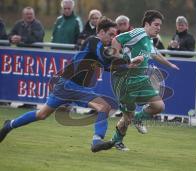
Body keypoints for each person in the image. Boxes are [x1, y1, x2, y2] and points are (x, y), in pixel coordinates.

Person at [0, 17, 144, 152]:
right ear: (101, 32)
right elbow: (105, 58)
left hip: (72, 86)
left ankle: (10, 125)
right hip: (70, 85)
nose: (113, 38)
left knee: (43, 114)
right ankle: (96, 142)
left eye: (115, 35)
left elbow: (106, 66)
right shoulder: (93, 41)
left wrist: (128, 66)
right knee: (102, 107)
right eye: (111, 34)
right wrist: (126, 59)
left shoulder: (100, 46)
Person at [95, 10, 179, 151]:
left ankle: (138, 118)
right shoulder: (138, 33)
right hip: (125, 80)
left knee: (159, 106)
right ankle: (117, 141)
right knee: (127, 117)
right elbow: (117, 39)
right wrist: (117, 57)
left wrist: (170, 64)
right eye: (156, 24)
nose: (158, 28)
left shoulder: (149, 39)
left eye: (160, 25)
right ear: (146, 24)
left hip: (140, 79)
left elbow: (155, 54)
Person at [8, 7, 45, 109]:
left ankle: (31, 102)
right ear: (23, 15)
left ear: (34, 15)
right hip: (21, 58)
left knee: (33, 80)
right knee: (22, 80)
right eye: (27, 14)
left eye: (31, 14)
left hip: (34, 58)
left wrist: (21, 39)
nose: (29, 16)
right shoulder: (18, 24)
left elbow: (37, 37)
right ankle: (24, 101)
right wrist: (12, 38)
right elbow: (10, 34)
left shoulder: (38, 25)